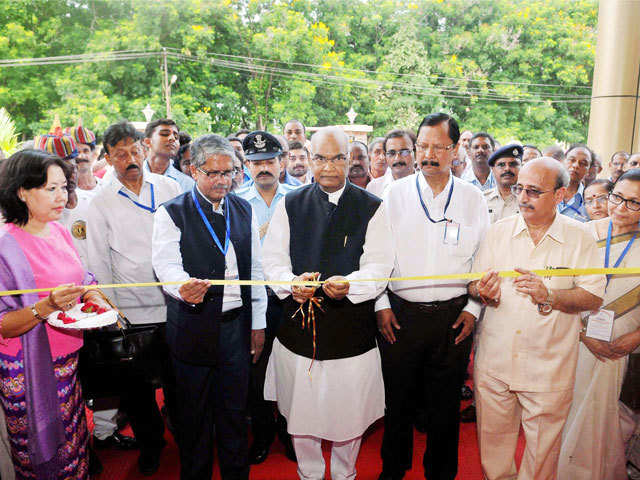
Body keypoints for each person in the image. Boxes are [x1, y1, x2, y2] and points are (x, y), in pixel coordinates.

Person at [262, 126, 394, 480]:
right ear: (309, 158)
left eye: (338, 157)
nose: (329, 167)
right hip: (298, 336)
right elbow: (271, 261)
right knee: (301, 419)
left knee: (348, 419)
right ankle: (309, 474)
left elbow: (381, 266)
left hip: (351, 337)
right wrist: (291, 284)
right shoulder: (289, 203)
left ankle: (344, 475)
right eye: (321, 158)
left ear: (350, 159)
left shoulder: (373, 207)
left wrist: (351, 285)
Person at [469, 157, 605, 480]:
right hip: (496, 363)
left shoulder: (580, 237)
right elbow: (474, 285)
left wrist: (551, 296)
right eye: (520, 189)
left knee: (542, 458)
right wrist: (483, 290)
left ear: (560, 195)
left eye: (534, 191)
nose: (523, 197)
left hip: (549, 367)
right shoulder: (497, 233)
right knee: (494, 450)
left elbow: (593, 295)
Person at [377, 113, 489, 480]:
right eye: (421, 146)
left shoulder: (473, 199)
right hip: (400, 316)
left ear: (454, 150)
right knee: (397, 404)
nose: (428, 154)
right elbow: (376, 256)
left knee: (444, 408)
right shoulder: (394, 194)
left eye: (438, 147)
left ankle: (440, 473)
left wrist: (473, 310)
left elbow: (484, 260)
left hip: (452, 319)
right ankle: (393, 470)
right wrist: (380, 305)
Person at [152, 133, 267, 480]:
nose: (221, 180)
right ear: (192, 170)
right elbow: (165, 265)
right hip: (193, 326)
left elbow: (256, 271)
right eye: (212, 172)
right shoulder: (172, 212)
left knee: (234, 414)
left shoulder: (244, 209)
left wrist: (257, 324)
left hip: (236, 327)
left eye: (228, 172)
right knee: (194, 418)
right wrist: (181, 287)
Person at [0, 149, 112, 479]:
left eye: (64, 187)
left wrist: (94, 296)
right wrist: (46, 306)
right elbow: (4, 324)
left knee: (74, 443)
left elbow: (82, 280)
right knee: (42, 453)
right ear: (21, 191)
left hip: (68, 360)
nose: (62, 196)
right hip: (28, 368)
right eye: (51, 189)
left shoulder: (59, 230)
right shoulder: (5, 245)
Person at [86, 121, 182, 475]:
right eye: (120, 154)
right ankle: (151, 444)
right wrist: (111, 314)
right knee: (138, 390)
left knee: (179, 380)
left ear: (143, 148)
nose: (129, 159)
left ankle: (185, 437)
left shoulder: (169, 186)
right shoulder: (100, 202)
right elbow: (97, 260)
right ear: (108, 158)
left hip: (175, 305)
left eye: (133, 150)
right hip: (132, 313)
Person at [558, 169, 640, 479]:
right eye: (617, 197)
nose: (620, 207)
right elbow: (562, 289)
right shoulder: (584, 233)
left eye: (634, 202)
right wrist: (581, 333)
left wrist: (635, 338)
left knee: (609, 420)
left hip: (622, 347)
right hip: (576, 340)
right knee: (571, 412)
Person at [235, 131, 298, 465]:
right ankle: (261, 435)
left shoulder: (300, 196)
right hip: (255, 301)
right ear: (246, 165)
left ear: (282, 162)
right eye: (256, 163)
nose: (263, 168)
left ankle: (291, 434)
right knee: (255, 369)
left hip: (292, 301)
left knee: (291, 370)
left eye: (269, 161)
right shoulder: (236, 202)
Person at [143, 118, 195, 193]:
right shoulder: (128, 177)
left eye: (176, 137)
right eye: (165, 134)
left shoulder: (187, 185)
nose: (172, 138)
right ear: (147, 142)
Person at [367, 130, 415, 198]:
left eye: (404, 152)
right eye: (391, 153)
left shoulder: (427, 184)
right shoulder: (374, 188)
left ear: (415, 153)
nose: (397, 158)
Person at [482, 144, 522, 223]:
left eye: (513, 164)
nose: (507, 169)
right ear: (493, 170)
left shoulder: (529, 199)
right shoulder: (482, 199)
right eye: (501, 165)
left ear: (521, 167)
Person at [558, 144, 591, 222]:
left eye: (583, 163)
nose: (576, 165)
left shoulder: (590, 201)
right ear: (563, 161)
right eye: (572, 160)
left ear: (588, 170)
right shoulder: (546, 190)